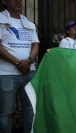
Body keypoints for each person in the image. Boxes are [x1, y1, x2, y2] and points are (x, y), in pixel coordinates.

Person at [0, 0, 39, 133]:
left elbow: (35, 45)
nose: (18, 1)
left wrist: (30, 60)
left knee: (29, 109)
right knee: (6, 112)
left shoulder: (29, 24)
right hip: (6, 74)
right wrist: (17, 62)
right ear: (4, 1)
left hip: (29, 73)